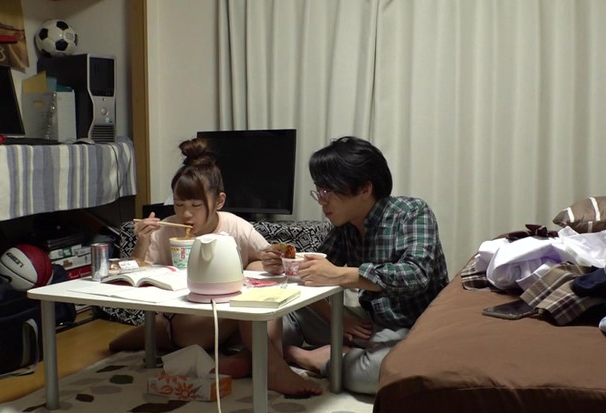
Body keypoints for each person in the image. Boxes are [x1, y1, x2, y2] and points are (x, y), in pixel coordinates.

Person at [109, 138, 322, 396]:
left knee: (257, 272)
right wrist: (143, 241)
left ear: (219, 201)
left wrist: (272, 261)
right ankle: (273, 367)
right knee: (244, 303)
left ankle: (251, 361)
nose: (186, 214)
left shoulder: (234, 225)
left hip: (225, 324)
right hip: (186, 321)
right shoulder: (166, 229)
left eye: (196, 205)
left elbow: (268, 256)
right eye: (179, 204)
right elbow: (136, 273)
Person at [260, 136, 449, 394]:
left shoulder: (411, 212)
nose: (322, 200)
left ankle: (309, 357)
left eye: (329, 191)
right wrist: (283, 263)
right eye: (319, 190)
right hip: (368, 321)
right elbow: (316, 270)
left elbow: (416, 274)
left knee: (386, 372)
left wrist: (340, 274)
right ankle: (288, 354)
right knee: (280, 317)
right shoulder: (346, 225)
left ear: (364, 189)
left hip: (411, 325)